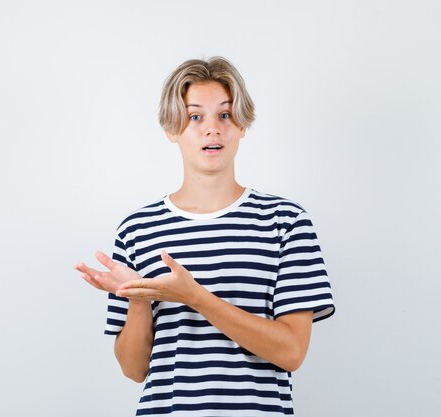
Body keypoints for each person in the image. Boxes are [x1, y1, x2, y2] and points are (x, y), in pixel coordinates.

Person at [74, 56, 335, 416]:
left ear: (242, 125)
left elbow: (291, 352)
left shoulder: (285, 221)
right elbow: (134, 370)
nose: (212, 128)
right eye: (195, 116)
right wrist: (136, 297)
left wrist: (196, 297)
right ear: (171, 129)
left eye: (225, 115)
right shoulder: (138, 228)